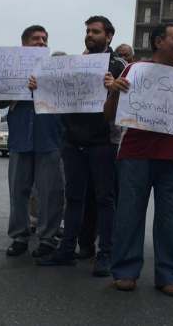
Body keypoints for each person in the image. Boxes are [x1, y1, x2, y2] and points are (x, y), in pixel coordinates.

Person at [103, 23, 173, 297]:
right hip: (135, 155)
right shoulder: (134, 70)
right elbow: (109, 116)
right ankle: (126, 272)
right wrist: (114, 90)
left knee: (169, 220)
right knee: (129, 215)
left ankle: (168, 275)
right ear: (159, 41)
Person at [35, 16, 126, 278]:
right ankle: (66, 250)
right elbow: (56, 92)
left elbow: (133, 97)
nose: (90, 35)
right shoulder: (75, 63)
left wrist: (114, 88)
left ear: (108, 36)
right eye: (87, 31)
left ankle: (105, 254)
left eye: (95, 31)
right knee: (74, 198)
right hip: (73, 142)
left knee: (105, 200)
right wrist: (38, 86)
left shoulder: (118, 65)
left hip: (103, 143)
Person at [5, 25, 64, 258]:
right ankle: (19, 236)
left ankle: (48, 238)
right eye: (35, 39)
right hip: (20, 136)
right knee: (18, 190)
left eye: (44, 39)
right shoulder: (10, 70)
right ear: (24, 44)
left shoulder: (56, 70)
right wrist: (18, 86)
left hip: (48, 137)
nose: (41, 42)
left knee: (50, 193)